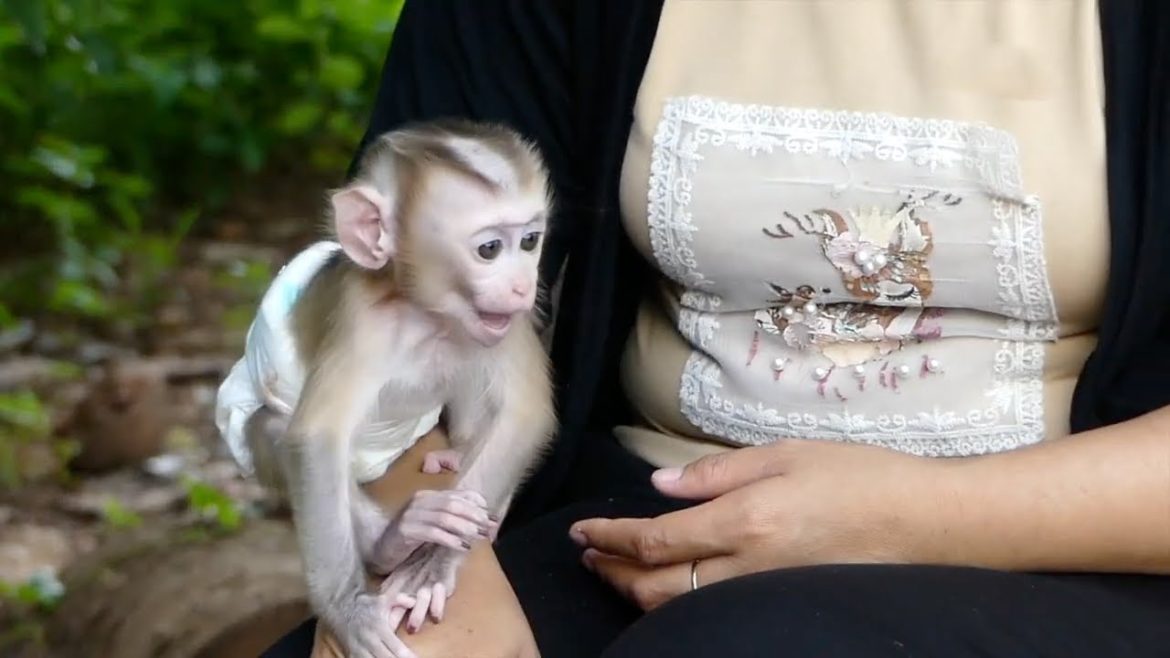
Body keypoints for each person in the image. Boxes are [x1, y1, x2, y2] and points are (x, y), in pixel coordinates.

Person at [262, 2, 1170, 656]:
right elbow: (387, 304)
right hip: (630, 520)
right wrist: (430, 579)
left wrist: (910, 518)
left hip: (1079, 537)